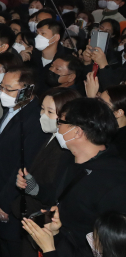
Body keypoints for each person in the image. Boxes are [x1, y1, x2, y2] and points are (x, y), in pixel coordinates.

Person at [29, 98, 126, 256]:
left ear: (77, 131)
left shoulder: (114, 183)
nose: (57, 128)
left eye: (60, 122)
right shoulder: (71, 160)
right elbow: (61, 201)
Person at [0, 67, 51, 257]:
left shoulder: (35, 121)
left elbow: (23, 166)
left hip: (11, 200)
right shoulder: (13, 109)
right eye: (1, 87)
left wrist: (6, 203)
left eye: (9, 89)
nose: (2, 93)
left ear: (27, 90)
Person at [15, 87, 80, 257]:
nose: (43, 115)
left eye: (50, 112)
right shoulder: (48, 135)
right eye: (42, 109)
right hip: (31, 217)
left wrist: (35, 188)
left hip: (45, 222)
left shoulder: (67, 148)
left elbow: (56, 191)